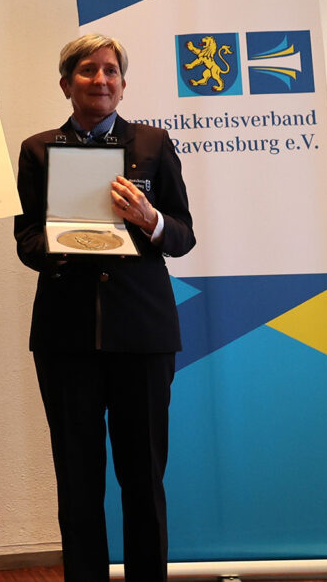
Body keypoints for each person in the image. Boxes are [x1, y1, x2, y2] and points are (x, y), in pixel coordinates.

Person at [14, 34, 195, 581]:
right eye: (88, 70)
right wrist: (65, 240)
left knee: (143, 478)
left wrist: (149, 219)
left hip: (143, 336)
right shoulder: (38, 150)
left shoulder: (153, 144)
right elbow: (26, 242)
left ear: (123, 83)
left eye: (111, 70)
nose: (101, 80)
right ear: (65, 83)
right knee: (78, 482)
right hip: (66, 339)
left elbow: (183, 235)